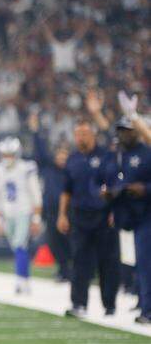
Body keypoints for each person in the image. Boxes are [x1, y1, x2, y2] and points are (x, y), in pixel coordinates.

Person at [57, 119, 119, 318]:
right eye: (78, 134)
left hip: (103, 215)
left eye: (84, 133)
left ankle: (109, 305)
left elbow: (114, 186)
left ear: (92, 134)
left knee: (107, 262)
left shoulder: (106, 156)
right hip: (80, 216)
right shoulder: (72, 159)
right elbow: (66, 191)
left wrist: (114, 211)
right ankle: (78, 304)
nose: (80, 137)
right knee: (79, 261)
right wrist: (62, 215)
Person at [102, 112, 151, 324]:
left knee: (145, 262)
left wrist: (145, 189)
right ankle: (142, 302)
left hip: (146, 214)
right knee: (133, 263)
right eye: (120, 131)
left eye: (127, 131)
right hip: (124, 215)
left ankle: (148, 310)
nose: (123, 135)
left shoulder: (147, 153)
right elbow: (104, 179)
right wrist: (109, 193)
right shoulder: (115, 155)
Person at [0, 136, 42, 294]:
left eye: (10, 154)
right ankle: (25, 279)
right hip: (7, 213)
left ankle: (20, 281)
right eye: (5, 154)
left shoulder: (26, 168)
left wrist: (36, 218)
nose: (7, 158)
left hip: (23, 211)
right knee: (17, 247)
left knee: (20, 245)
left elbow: (36, 194)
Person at [29, 112, 72, 281]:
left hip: (69, 212)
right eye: (59, 155)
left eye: (64, 156)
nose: (61, 158)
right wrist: (34, 130)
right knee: (54, 243)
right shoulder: (48, 168)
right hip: (51, 212)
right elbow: (40, 151)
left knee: (70, 242)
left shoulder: (71, 170)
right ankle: (62, 269)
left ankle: (71, 270)